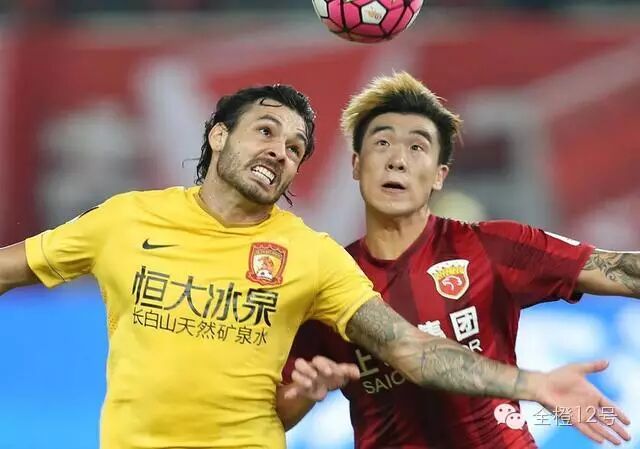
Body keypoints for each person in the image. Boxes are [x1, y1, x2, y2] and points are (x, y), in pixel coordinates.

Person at [0, 84, 629, 449]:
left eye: (296, 147)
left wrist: (531, 384)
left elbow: (411, 350)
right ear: (218, 135)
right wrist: (301, 396)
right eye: (266, 132)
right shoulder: (125, 219)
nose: (281, 151)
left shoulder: (311, 256)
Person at [280, 72, 639, 448]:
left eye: (416, 147)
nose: (397, 160)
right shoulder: (329, 279)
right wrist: (306, 393)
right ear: (356, 164)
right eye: (382, 143)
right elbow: (280, 410)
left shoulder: (492, 246)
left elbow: (618, 270)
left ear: (439, 175)